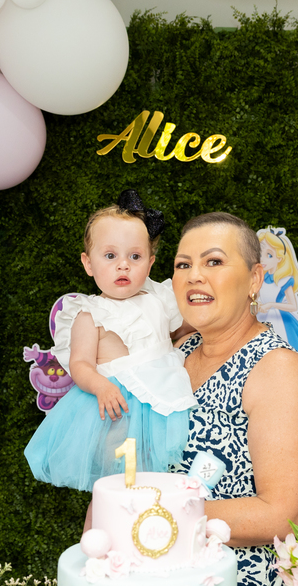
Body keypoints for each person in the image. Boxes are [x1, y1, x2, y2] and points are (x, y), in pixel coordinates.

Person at [96, 212, 298, 586]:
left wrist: (148, 520)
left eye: (214, 261)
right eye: (183, 265)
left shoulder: (277, 368)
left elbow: (282, 513)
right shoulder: (172, 358)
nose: (194, 275)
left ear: (254, 280)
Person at [24, 191, 196, 491]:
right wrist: (100, 386)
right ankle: (110, 509)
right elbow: (80, 364)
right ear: (88, 263)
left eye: (135, 257)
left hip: (162, 397)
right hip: (117, 406)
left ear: (150, 264)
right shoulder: (89, 314)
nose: (123, 265)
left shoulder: (159, 298)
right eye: (110, 256)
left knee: (156, 478)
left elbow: (182, 330)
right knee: (118, 479)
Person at [255, 227, 298, 375]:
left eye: (269, 255)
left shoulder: (284, 280)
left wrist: (271, 305)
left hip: (281, 321)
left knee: (285, 357)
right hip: (261, 319)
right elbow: (255, 298)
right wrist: (257, 305)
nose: (263, 259)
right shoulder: (260, 278)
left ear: (279, 258)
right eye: (260, 254)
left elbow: (293, 306)